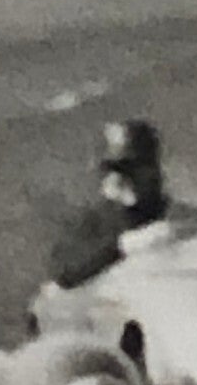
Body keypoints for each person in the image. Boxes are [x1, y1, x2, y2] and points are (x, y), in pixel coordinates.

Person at [48, 121, 173, 290]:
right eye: (117, 170)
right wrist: (123, 246)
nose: (127, 178)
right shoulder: (93, 225)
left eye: (138, 167)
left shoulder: (181, 215)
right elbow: (64, 274)